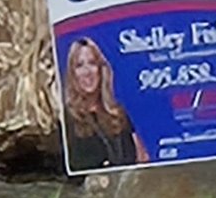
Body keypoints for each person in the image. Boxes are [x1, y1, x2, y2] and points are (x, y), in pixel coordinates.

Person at [61, 37, 150, 170]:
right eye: (79, 65)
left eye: (92, 63)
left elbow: (143, 159)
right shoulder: (67, 120)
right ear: (72, 74)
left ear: (101, 69)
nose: (87, 72)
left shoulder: (119, 115)